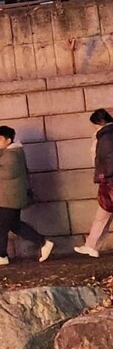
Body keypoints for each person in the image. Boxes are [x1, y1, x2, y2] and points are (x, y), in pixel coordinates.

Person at [0, 126, 53, 266]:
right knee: (14, 225)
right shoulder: (5, 152)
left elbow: (7, 173)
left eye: (0, 139)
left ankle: (2, 254)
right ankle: (42, 241)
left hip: (8, 197)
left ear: (8, 140)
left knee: (1, 227)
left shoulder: (12, 154)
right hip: (7, 196)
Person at [75, 108, 113, 257]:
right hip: (108, 180)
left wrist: (103, 175)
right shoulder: (107, 135)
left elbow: (109, 159)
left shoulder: (106, 137)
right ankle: (91, 245)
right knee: (103, 214)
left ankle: (91, 245)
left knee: (103, 214)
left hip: (109, 181)